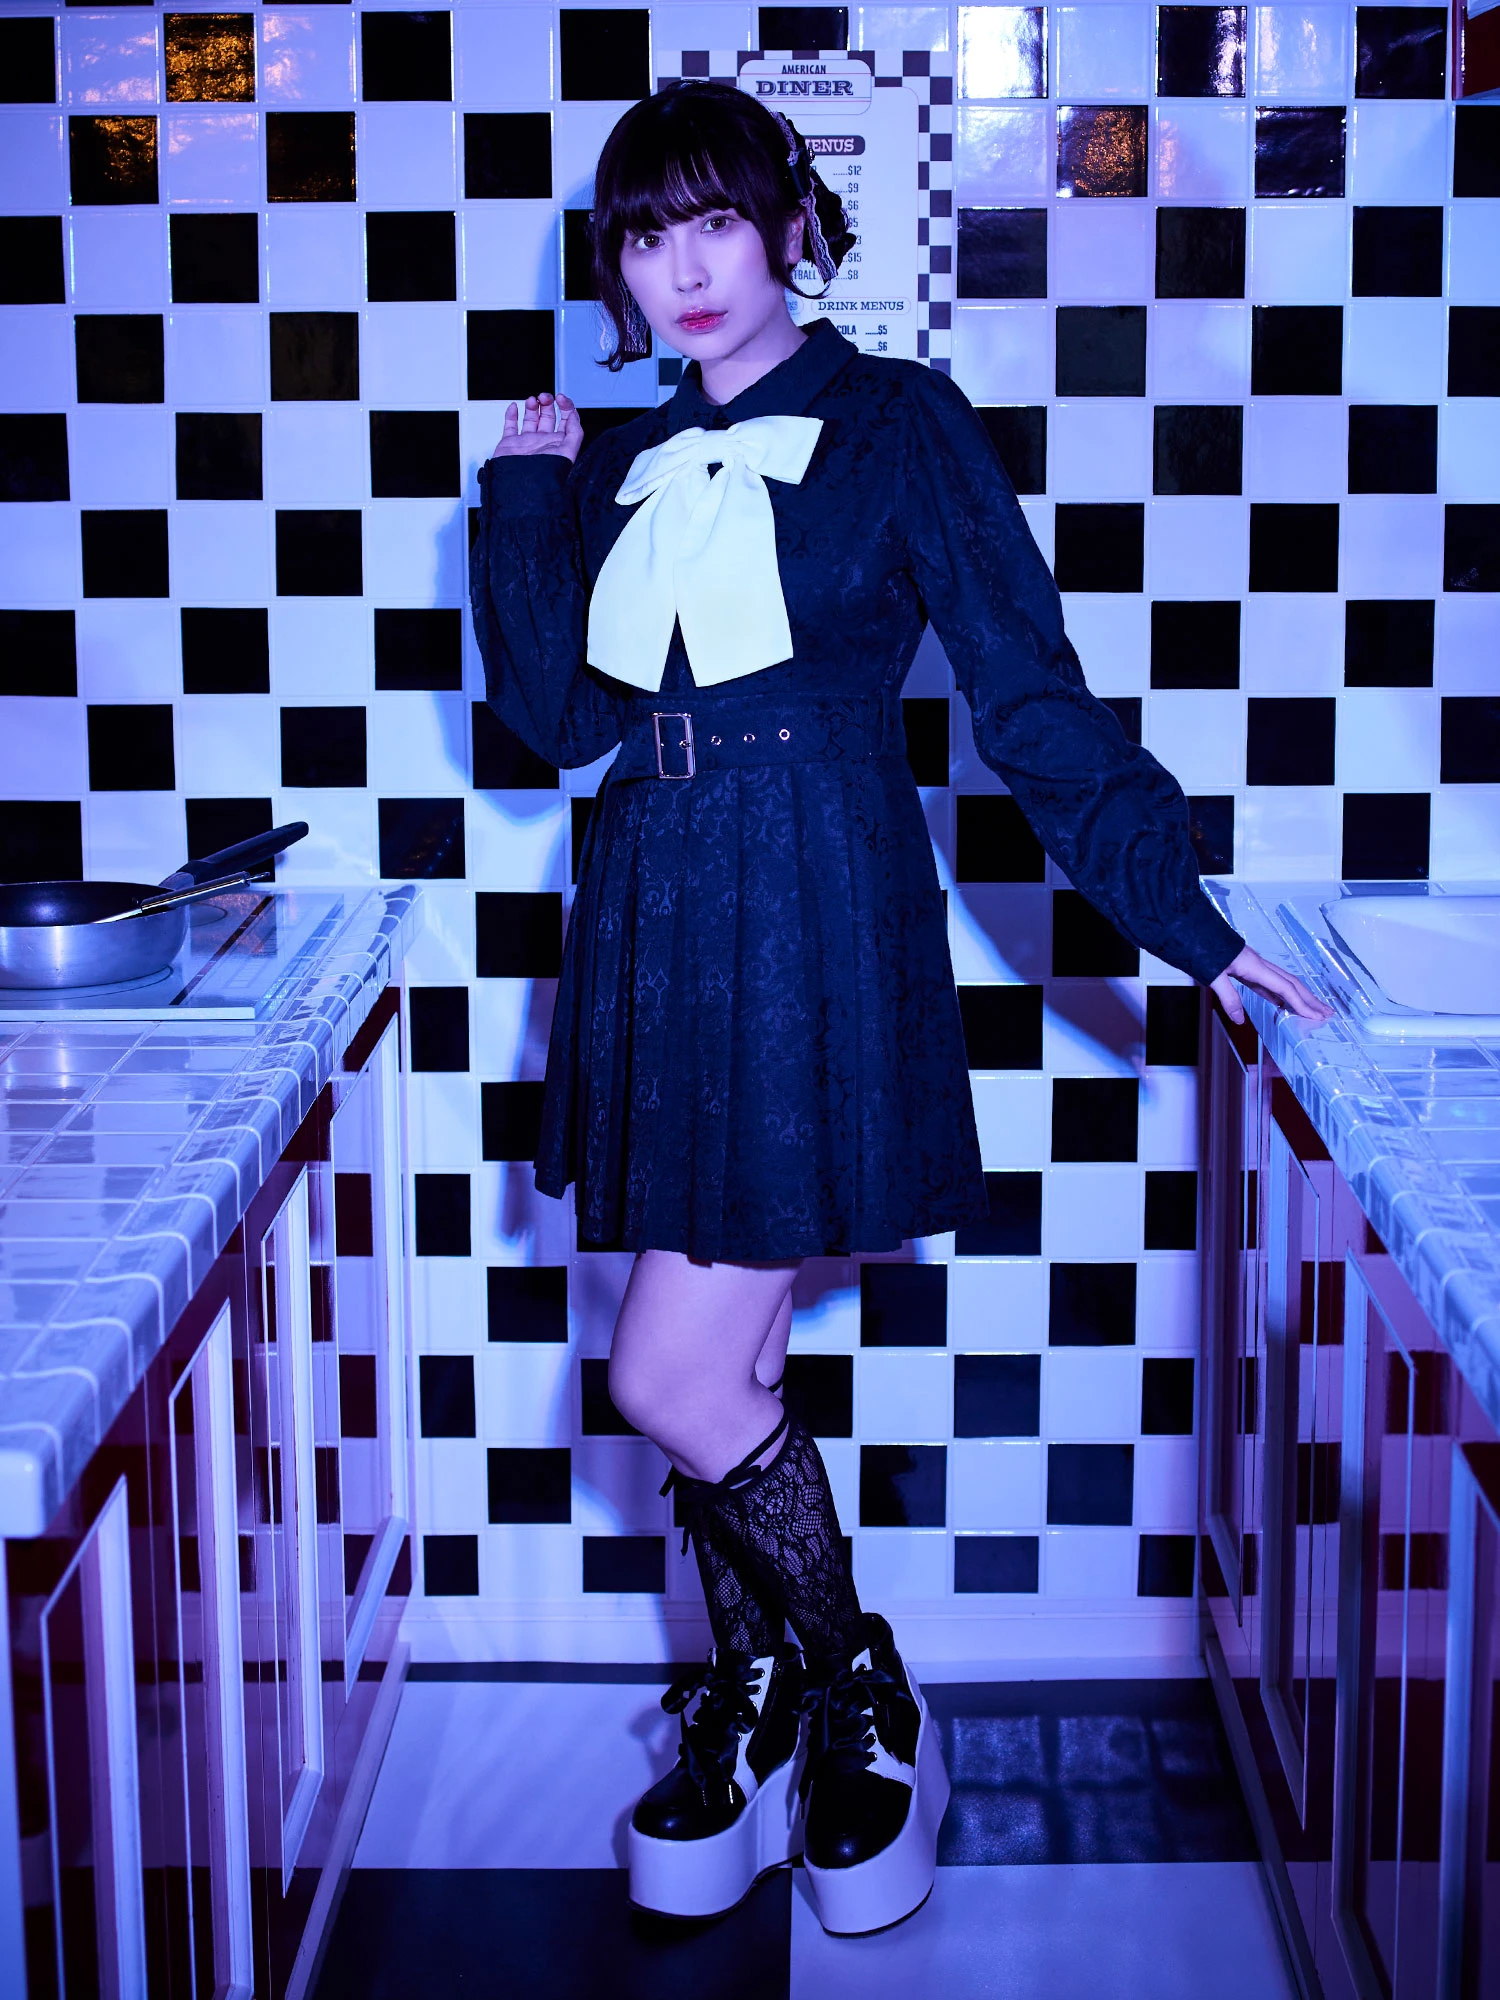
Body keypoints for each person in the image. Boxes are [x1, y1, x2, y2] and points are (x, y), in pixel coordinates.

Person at [469, 79, 1332, 1937]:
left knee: (665, 1376)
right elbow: (557, 721)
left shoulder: (898, 422)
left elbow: (1031, 691)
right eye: (646, 236)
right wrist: (527, 494)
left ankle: (850, 1678)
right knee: (725, 1377)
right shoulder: (616, 459)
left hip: (810, 914)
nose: (686, 269)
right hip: (653, 916)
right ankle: (765, 1692)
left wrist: (1179, 917)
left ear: (792, 223)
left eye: (717, 220)